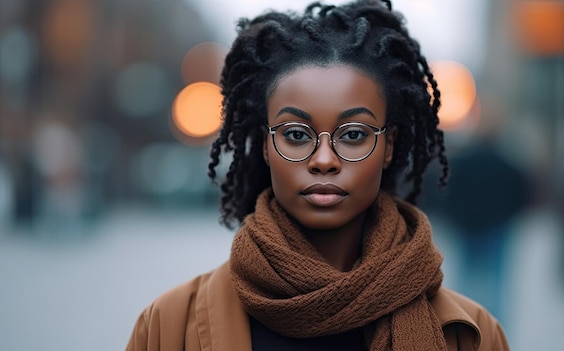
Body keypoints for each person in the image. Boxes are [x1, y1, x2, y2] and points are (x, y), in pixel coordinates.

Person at [126, 1, 509, 350]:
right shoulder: (168, 326)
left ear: (389, 145)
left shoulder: (471, 333)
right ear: (265, 145)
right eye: (296, 135)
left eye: (354, 134)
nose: (324, 160)